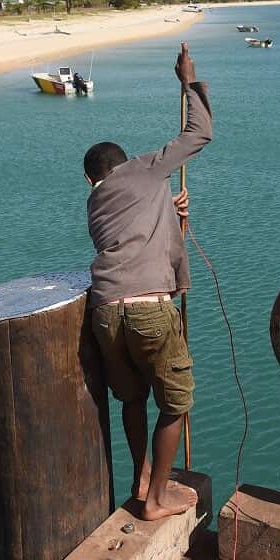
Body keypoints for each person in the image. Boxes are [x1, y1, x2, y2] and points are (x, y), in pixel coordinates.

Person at [85, 42, 212, 521]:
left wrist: (168, 207)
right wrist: (188, 78)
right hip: (148, 311)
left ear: (90, 180)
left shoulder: (95, 205)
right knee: (177, 403)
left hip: (106, 311)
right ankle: (156, 500)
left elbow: (132, 229)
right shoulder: (140, 170)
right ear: (121, 165)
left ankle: (140, 478)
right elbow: (199, 133)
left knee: (132, 398)